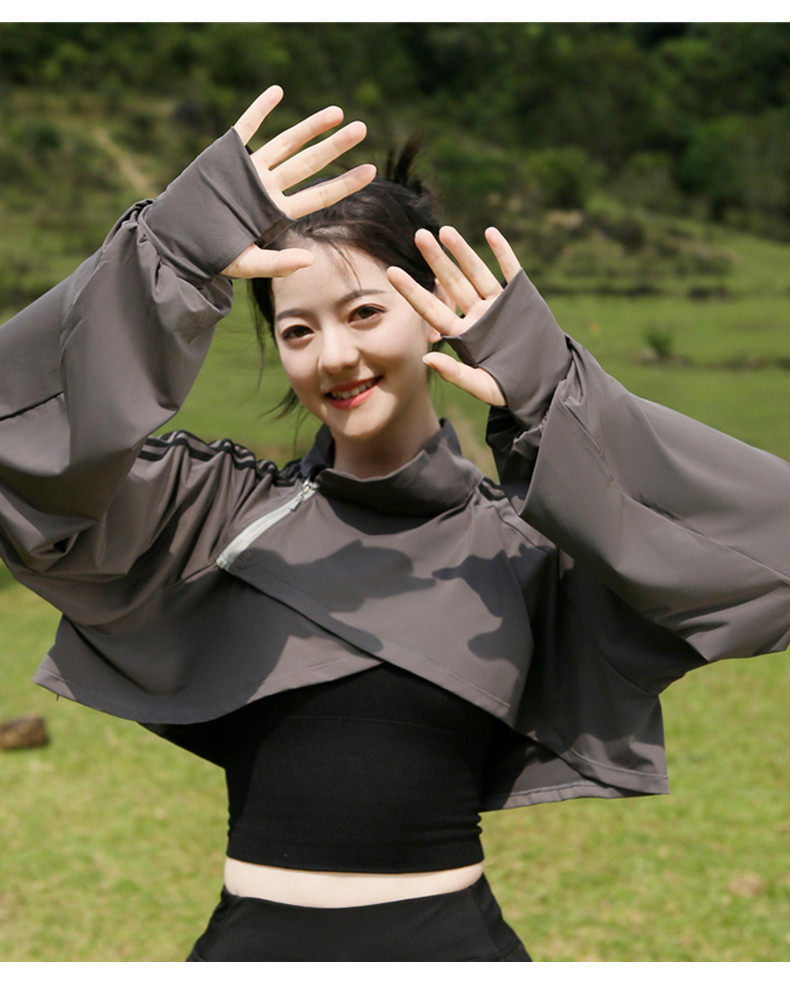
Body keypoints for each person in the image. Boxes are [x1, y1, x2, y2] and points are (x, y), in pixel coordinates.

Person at [0, 86, 787, 962]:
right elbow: (15, 455)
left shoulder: (527, 545)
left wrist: (555, 396)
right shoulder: (215, 518)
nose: (334, 355)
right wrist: (165, 260)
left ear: (436, 313)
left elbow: (772, 553)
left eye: (365, 312)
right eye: (297, 330)